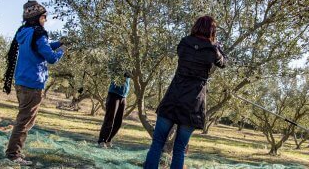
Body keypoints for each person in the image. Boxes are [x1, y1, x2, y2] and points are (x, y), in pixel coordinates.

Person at [144, 15, 226, 169]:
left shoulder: (184, 43)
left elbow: (184, 52)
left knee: (157, 143)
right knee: (180, 148)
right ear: (212, 30)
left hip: (173, 98)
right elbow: (223, 63)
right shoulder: (213, 50)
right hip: (193, 104)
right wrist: (218, 47)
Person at [3, 0, 65, 166]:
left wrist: (58, 43)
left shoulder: (25, 31)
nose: (45, 20)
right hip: (32, 84)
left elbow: (39, 47)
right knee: (24, 121)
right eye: (44, 17)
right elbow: (50, 57)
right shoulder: (39, 33)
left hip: (22, 82)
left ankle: (14, 150)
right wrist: (62, 52)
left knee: (25, 120)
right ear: (38, 17)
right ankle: (13, 154)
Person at [97, 74, 131, 148]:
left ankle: (108, 140)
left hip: (123, 96)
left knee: (118, 122)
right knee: (110, 119)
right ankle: (102, 141)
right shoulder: (119, 63)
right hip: (114, 93)